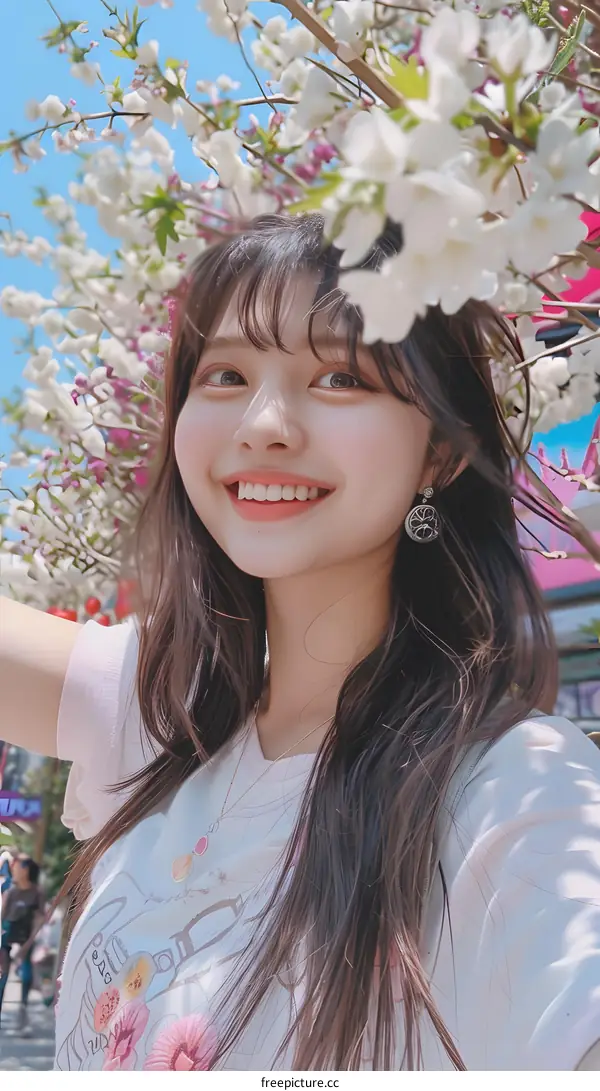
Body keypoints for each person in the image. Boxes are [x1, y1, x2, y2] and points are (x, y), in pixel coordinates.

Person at [0, 214, 599, 1071]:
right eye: (227, 373)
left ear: (439, 450)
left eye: (341, 376)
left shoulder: (516, 794)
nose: (265, 421)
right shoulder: (168, 711)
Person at [0, 854, 45, 1033]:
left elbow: (39, 918)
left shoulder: (37, 892)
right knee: (2, 976)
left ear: (26, 869)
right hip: (7, 936)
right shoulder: (11, 891)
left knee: (26, 976)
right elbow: (3, 917)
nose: (13, 869)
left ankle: (23, 1013)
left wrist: (29, 942)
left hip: (27, 937)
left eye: (16, 866)